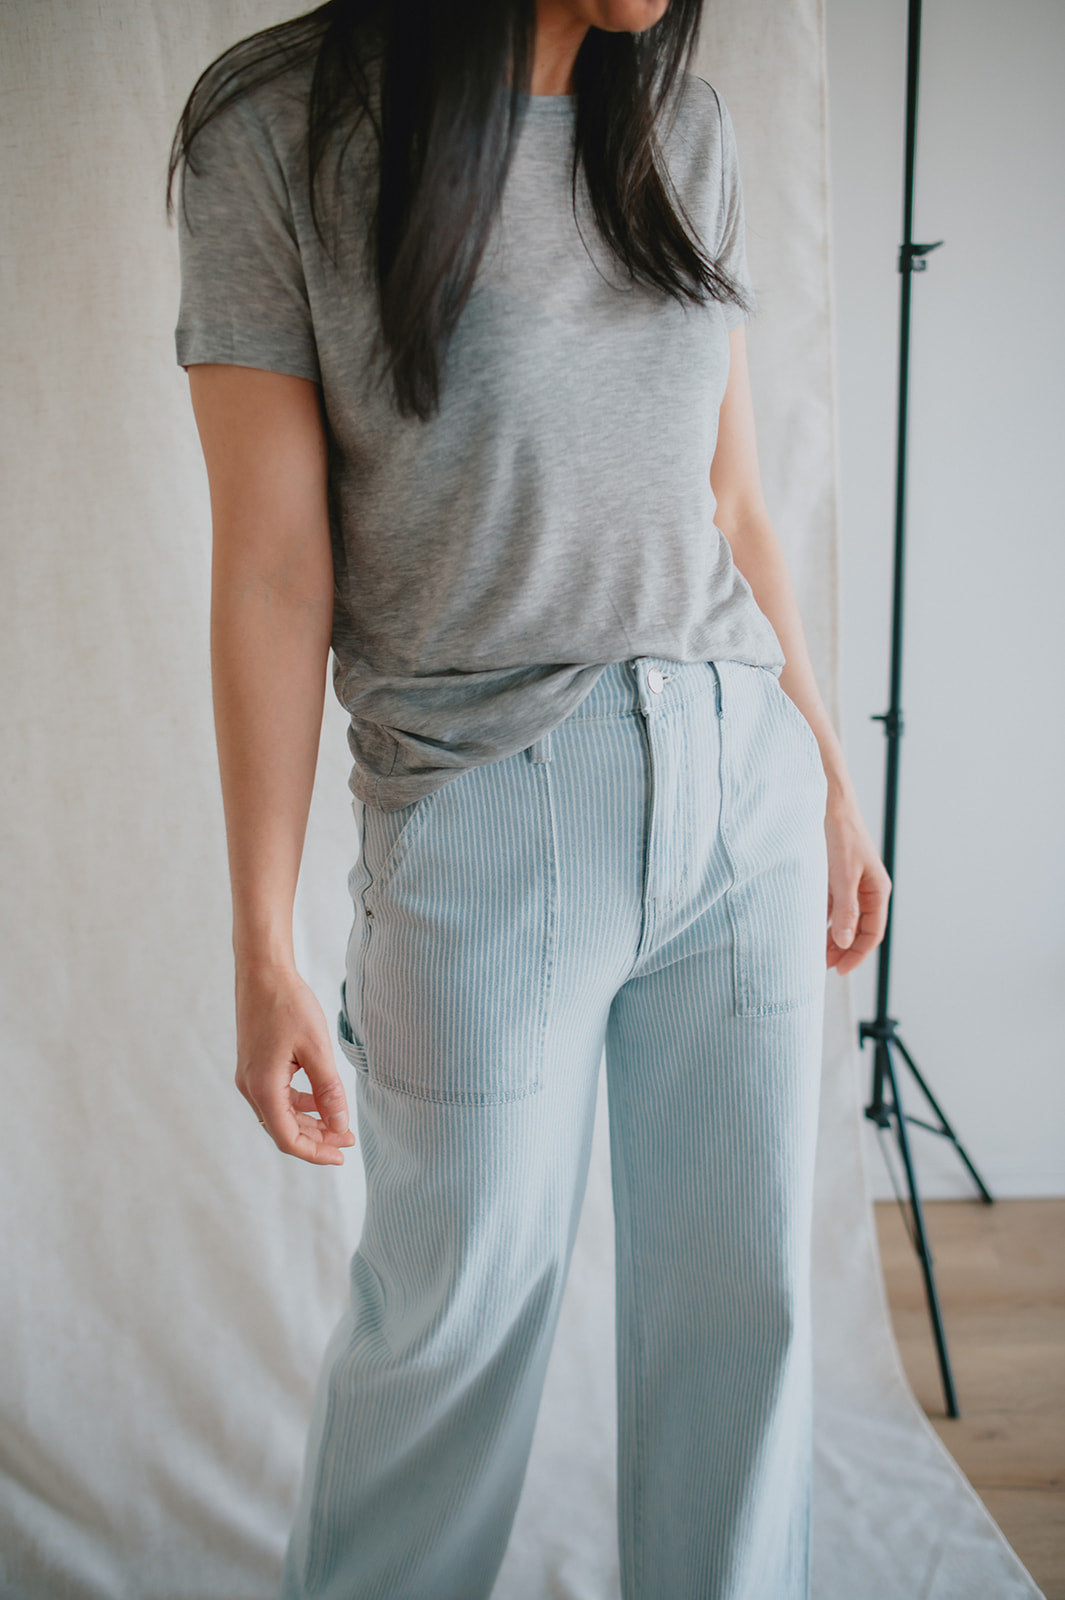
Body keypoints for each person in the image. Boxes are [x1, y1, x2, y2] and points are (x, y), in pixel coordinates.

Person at [168, 1, 891, 1596]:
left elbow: (731, 503)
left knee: (744, 1318)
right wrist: (262, 942)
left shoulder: (680, 129)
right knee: (446, 1337)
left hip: (739, 792)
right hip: (485, 812)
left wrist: (828, 778)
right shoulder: (278, 130)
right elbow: (273, 568)